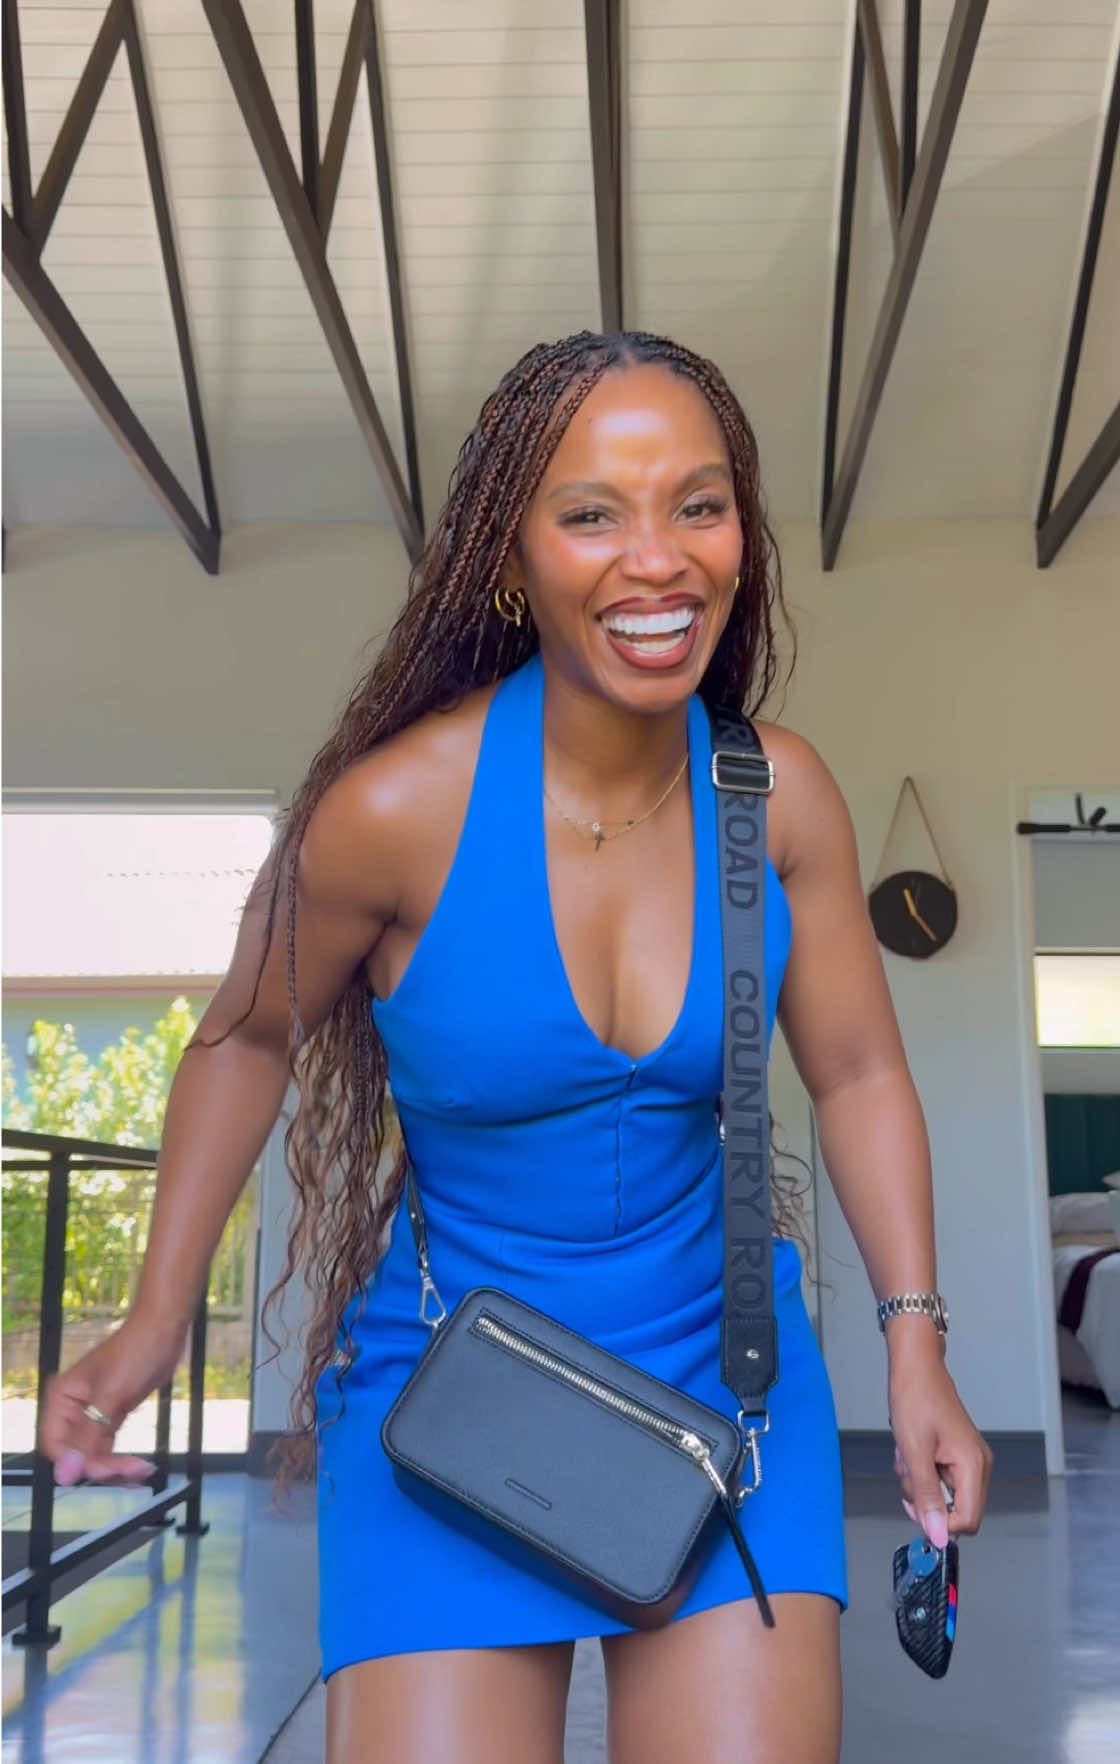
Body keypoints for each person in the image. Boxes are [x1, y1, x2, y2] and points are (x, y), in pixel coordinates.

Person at [40, 330, 992, 1764]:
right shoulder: (393, 814)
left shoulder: (773, 797)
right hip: (450, 1386)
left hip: (726, 1388)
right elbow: (244, 1039)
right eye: (592, 514)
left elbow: (858, 1073)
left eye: (698, 504)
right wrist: (159, 1314)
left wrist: (917, 1351)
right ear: (511, 556)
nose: (657, 559)